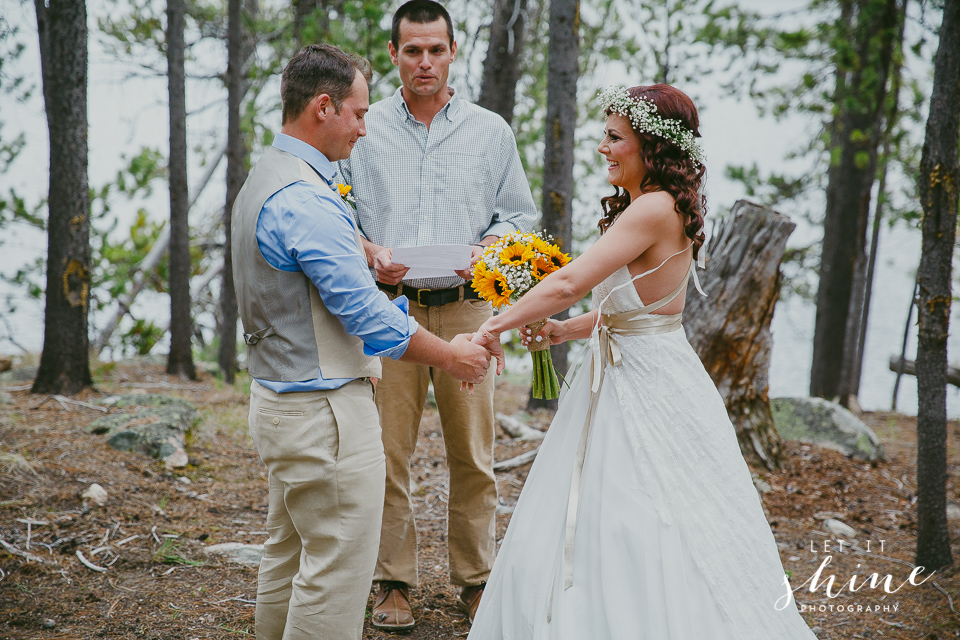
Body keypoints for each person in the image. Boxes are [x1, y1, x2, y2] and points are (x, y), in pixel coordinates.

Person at [466, 84, 818, 639]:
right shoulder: (657, 205)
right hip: (634, 359)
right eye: (604, 136)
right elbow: (646, 310)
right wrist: (564, 329)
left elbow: (569, 281)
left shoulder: (653, 207)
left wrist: (493, 324)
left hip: (644, 381)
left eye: (614, 137)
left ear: (650, 145)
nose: (603, 148)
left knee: (641, 507)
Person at [231, 44, 494, 640]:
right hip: (322, 415)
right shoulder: (307, 200)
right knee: (335, 575)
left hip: (278, 398)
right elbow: (367, 315)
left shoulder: (267, 177)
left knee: (290, 556)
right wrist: (452, 354)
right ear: (323, 108)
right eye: (357, 113)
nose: (363, 127)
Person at [337, 0, 537, 630]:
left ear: (453, 53)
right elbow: (338, 206)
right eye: (413, 50)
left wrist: (489, 250)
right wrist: (367, 250)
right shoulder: (364, 129)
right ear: (394, 54)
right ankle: (392, 581)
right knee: (386, 454)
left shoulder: (492, 131)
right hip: (388, 308)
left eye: (437, 50)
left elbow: (520, 216)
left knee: (473, 454)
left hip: (468, 308)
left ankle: (476, 581)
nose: (425, 62)